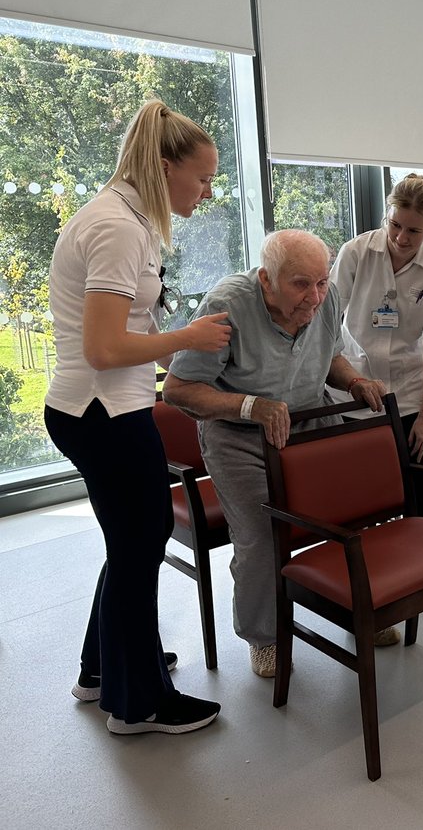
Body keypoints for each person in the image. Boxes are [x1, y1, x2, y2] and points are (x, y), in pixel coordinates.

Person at [43, 99, 230, 734]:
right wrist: (188, 338)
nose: (206, 191)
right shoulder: (120, 228)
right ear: (163, 164)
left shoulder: (125, 217)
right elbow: (104, 348)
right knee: (140, 544)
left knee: (131, 543)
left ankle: (104, 669)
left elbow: (118, 332)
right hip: (102, 411)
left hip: (98, 407)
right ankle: (138, 702)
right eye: (201, 178)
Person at [163, 229, 388, 678]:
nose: (315, 296)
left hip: (308, 420)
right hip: (238, 434)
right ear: (266, 279)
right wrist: (249, 406)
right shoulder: (227, 307)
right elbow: (178, 389)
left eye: (321, 282)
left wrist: (355, 381)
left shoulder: (327, 296)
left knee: (352, 512)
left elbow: (331, 355)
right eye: (301, 284)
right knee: (263, 533)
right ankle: (263, 635)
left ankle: (354, 604)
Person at [329, 173, 423, 616]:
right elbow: (328, 324)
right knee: (363, 494)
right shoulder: (356, 252)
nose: (402, 237)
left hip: (406, 392)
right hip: (354, 387)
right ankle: (375, 581)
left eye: (414, 230)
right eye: (395, 225)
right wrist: (345, 378)